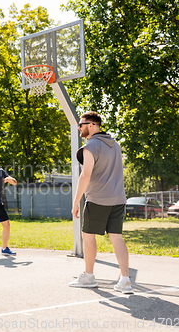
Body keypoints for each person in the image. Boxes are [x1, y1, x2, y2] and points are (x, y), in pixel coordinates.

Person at [68, 111, 133, 294]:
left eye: (81, 124)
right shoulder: (115, 145)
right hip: (118, 199)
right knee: (116, 237)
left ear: (92, 125)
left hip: (97, 199)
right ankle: (125, 280)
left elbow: (85, 175)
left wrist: (75, 203)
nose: (79, 127)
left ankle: (88, 276)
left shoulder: (91, 146)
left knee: (88, 236)